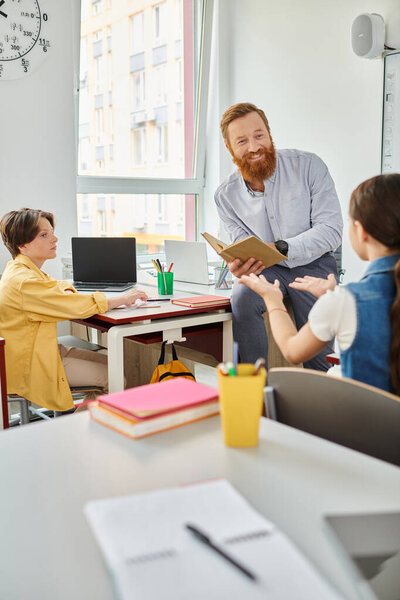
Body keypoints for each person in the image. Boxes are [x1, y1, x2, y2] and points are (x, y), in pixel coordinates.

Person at [240, 173, 400, 394]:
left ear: (361, 231)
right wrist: (330, 300)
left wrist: (272, 298)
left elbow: (292, 350)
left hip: (363, 427)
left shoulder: (346, 302)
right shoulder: (342, 302)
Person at [215, 102, 343, 369]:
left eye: (259, 135)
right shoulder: (225, 196)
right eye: (242, 141)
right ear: (230, 150)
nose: (253, 147)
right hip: (268, 268)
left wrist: (281, 247)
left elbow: (331, 232)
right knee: (241, 295)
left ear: (270, 135)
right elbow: (241, 244)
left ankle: (321, 400)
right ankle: (254, 386)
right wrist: (239, 263)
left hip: (314, 264)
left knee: (318, 361)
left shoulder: (309, 166)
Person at [0, 208, 148, 413]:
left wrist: (68, 295)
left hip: (42, 350)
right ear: (23, 245)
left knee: (115, 364)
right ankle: (81, 433)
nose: (54, 239)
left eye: (51, 232)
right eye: (44, 235)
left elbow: (59, 290)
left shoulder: (22, 270)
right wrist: (123, 299)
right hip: (32, 363)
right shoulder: (25, 281)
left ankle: (86, 424)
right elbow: (74, 305)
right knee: (115, 376)